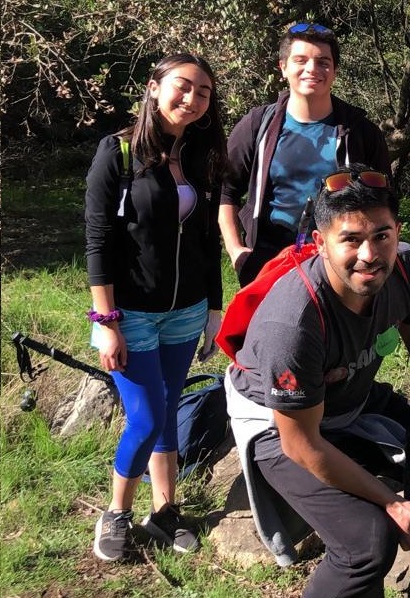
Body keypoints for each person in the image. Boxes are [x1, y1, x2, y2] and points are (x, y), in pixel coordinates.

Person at [224, 164, 410, 597]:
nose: (370, 254)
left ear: (397, 230)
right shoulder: (295, 320)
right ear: (320, 243)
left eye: (381, 235)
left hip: (349, 399)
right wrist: (390, 501)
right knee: (367, 543)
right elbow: (301, 443)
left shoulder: (407, 267)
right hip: (279, 424)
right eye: (351, 239)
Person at [84, 53, 226, 561]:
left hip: (186, 312)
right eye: (182, 86)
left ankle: (165, 511)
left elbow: (207, 241)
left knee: (166, 411)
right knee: (145, 418)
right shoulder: (117, 153)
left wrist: (214, 308)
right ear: (153, 87)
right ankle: (116, 512)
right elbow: (97, 241)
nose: (191, 99)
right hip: (132, 314)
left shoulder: (202, 155)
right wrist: (105, 322)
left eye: (203, 92)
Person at [220, 22, 390, 286]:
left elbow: (384, 199)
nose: (312, 69)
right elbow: (226, 192)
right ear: (283, 67)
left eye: (323, 62)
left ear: (334, 71)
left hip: (337, 263)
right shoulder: (257, 125)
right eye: (301, 60)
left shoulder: (359, 131)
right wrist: (236, 251)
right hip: (268, 262)